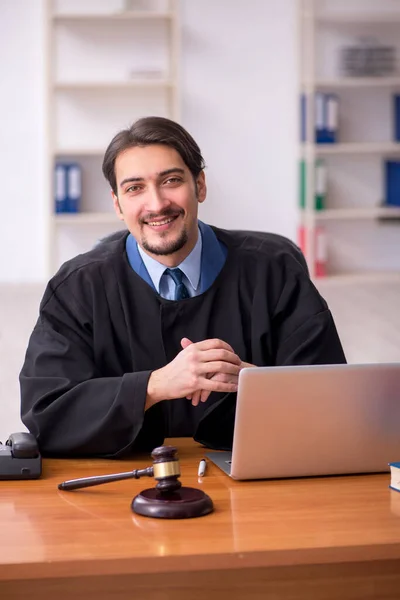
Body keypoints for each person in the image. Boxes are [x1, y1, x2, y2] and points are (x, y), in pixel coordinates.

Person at [20, 116, 346, 457]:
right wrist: (154, 386)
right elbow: (48, 414)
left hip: (259, 475)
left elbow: (333, 399)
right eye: (135, 188)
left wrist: (257, 385)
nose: (157, 204)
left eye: (171, 180)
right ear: (118, 204)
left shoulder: (275, 269)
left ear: (200, 185)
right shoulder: (78, 287)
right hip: (124, 483)